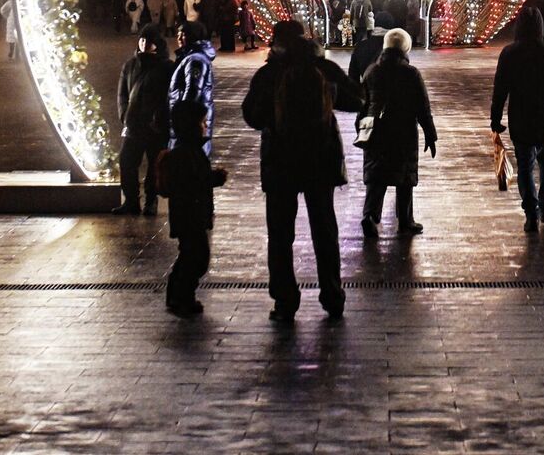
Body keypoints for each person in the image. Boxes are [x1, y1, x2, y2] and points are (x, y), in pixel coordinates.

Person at [241, 20, 358, 322]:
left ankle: (285, 300)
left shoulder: (269, 74)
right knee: (324, 230)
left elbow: (251, 116)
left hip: (280, 162)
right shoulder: (323, 69)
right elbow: (356, 100)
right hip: (320, 160)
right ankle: (332, 296)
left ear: (277, 42)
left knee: (280, 236)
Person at [489, 7, 544, 232]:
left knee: (525, 165)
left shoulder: (510, 53)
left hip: (521, 116)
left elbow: (500, 89)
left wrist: (495, 119)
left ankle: (531, 212)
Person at [358, 28, 437, 238]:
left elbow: (363, 103)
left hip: (376, 131)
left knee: (376, 177)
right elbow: (423, 107)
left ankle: (370, 215)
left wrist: (361, 128)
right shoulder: (411, 73)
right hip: (403, 131)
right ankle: (405, 219)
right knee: (404, 177)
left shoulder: (372, 71)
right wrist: (430, 133)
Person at [159, 99, 227, 317]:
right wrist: (214, 178)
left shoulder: (191, 149)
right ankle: (182, 296)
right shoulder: (185, 153)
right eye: (202, 122)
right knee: (195, 257)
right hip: (189, 215)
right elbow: (192, 182)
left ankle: (178, 295)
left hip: (190, 214)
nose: (205, 126)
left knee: (190, 254)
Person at [111, 26, 173, 216]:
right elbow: (122, 93)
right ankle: (131, 200)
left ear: (157, 43)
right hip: (133, 124)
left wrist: (160, 117)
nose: (144, 44)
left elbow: (169, 96)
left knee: (154, 164)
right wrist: (124, 115)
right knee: (127, 161)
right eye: (142, 40)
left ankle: (151, 201)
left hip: (155, 126)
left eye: (149, 40)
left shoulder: (166, 67)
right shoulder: (130, 65)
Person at [168, 21, 217, 156]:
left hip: (191, 123)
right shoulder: (190, 57)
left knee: (190, 159)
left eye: (183, 35)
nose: (179, 38)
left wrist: (182, 117)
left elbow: (193, 90)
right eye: (178, 34)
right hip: (192, 121)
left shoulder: (195, 60)